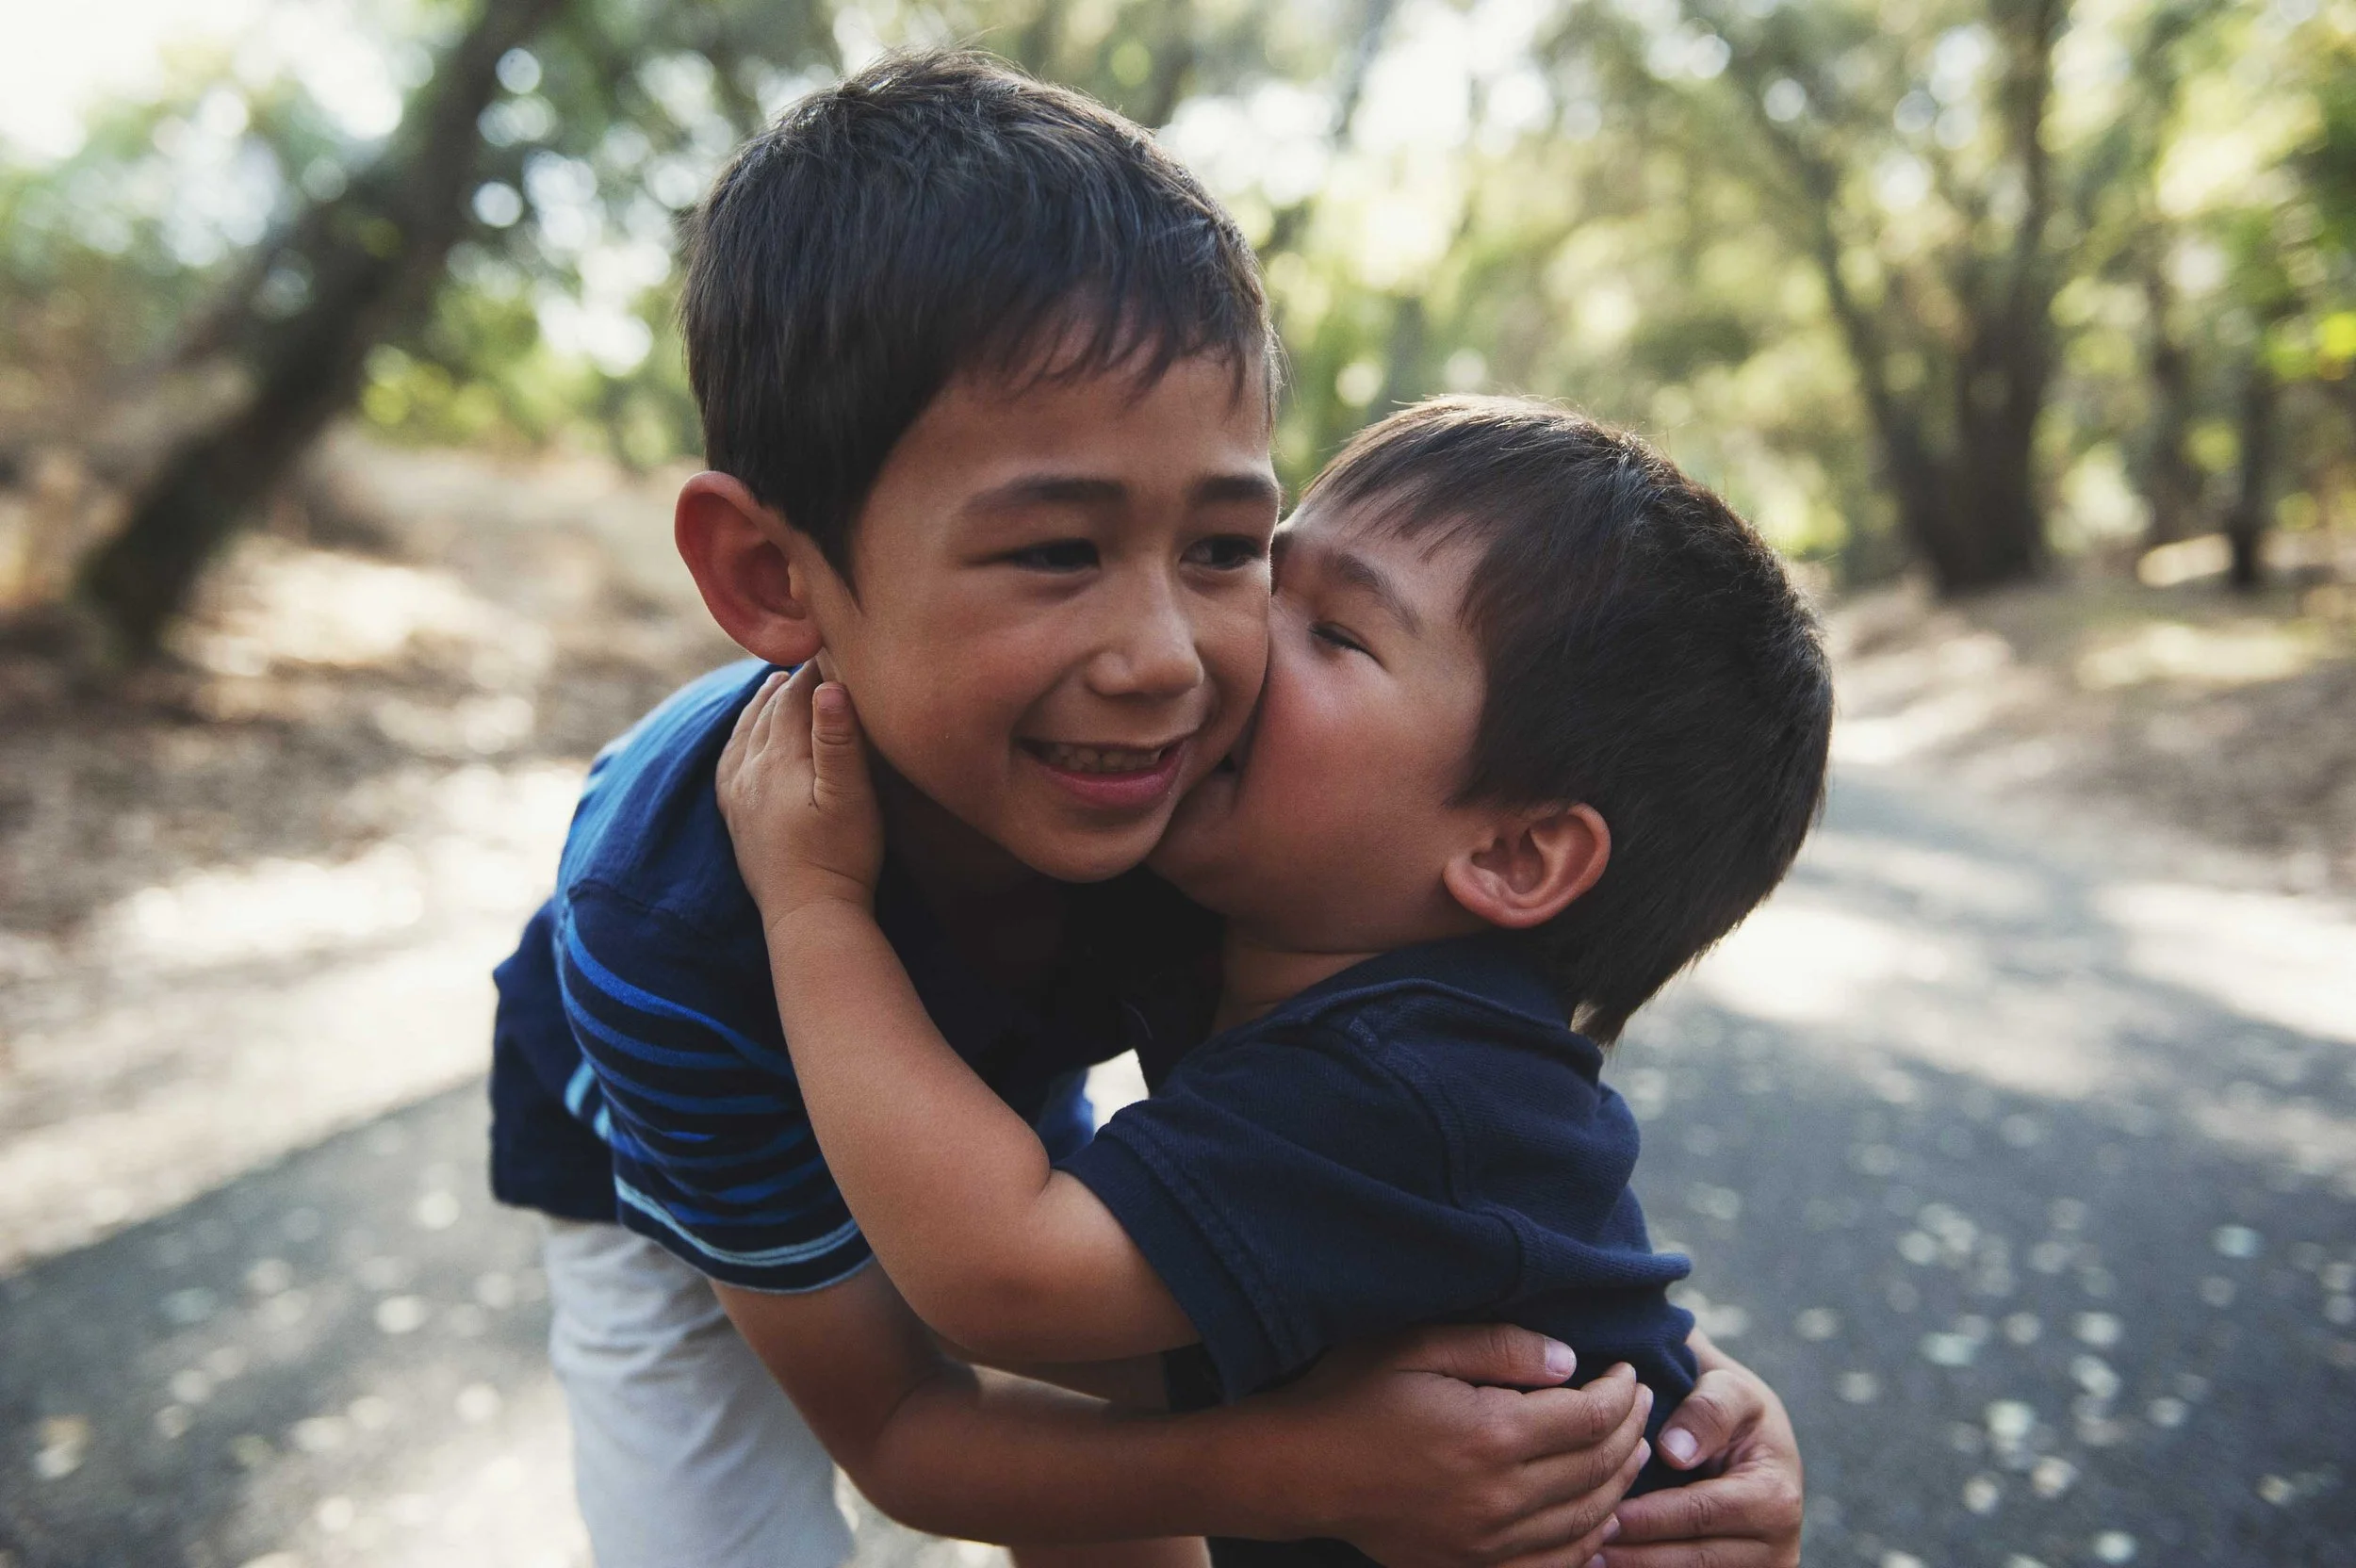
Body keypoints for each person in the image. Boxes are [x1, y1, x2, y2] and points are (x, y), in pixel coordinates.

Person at [489, 50, 1804, 1568]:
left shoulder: (1205, 793)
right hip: (677, 1148)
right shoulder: (673, 911)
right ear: (774, 577)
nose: (1169, 660)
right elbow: (906, 1426)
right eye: (1057, 552)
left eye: (1228, 548)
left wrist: (1670, 1400)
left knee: (1121, 1425)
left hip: (983, 1131)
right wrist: (1303, 1467)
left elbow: (1434, 1173)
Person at [714, 397, 1830, 1568]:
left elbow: (1003, 1278)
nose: (1226, 640)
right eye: (1254, 567)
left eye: (1337, 633)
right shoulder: (1300, 935)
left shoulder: (1410, 1082)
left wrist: (814, 905)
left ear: (1512, 854)